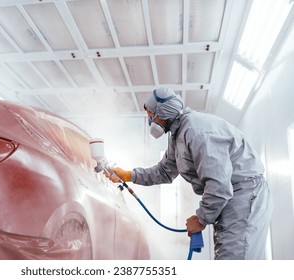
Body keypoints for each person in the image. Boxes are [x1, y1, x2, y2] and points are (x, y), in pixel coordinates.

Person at [107, 87, 273, 260]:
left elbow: (219, 186)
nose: (150, 122)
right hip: (234, 198)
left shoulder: (197, 131)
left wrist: (201, 219)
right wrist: (129, 175)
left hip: (245, 195)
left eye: (151, 115)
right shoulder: (178, 135)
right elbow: (164, 171)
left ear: (163, 112)